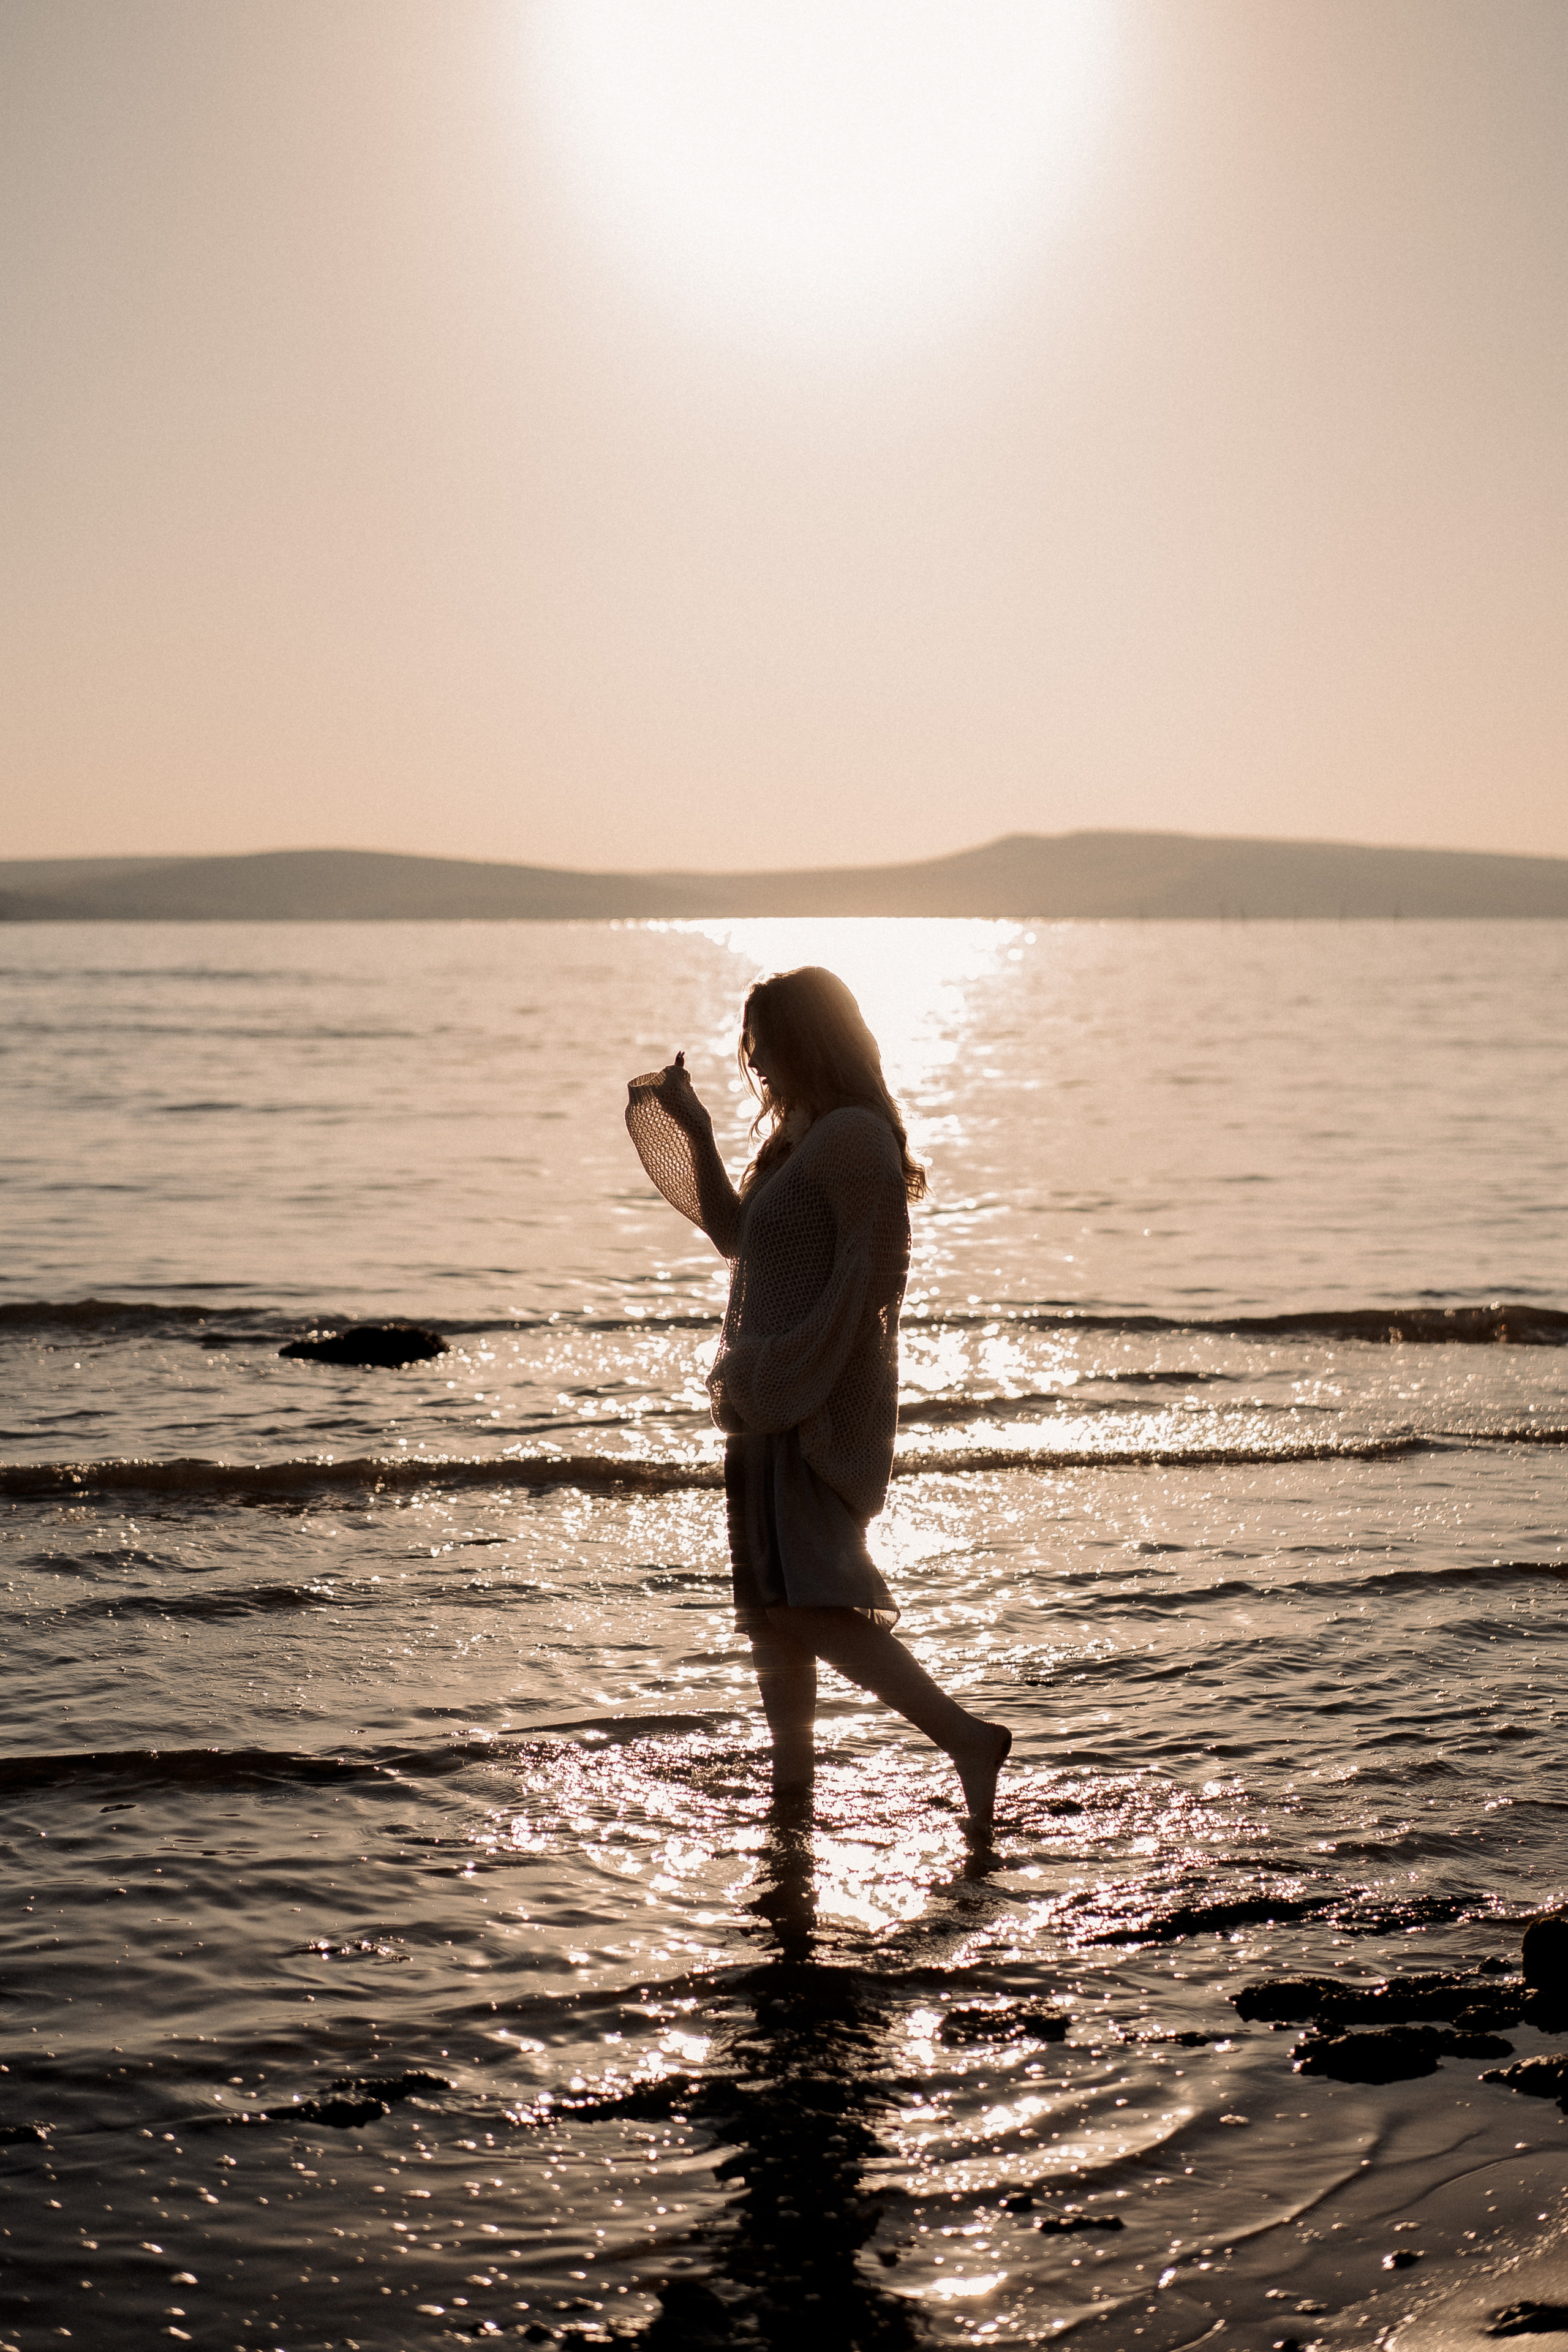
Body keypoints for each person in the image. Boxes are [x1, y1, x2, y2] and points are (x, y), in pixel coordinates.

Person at [625, 965, 1011, 1827]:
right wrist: (695, 1131)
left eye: (767, 1046)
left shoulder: (852, 1138)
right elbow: (740, 1240)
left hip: (806, 1403)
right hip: (763, 1397)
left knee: (812, 1603)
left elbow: (875, 1275)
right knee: (772, 1615)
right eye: (750, 1049)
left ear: (809, 1039)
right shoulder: (795, 1137)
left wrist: (802, 1371)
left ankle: (966, 1739)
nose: (757, 1064)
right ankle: (791, 1790)